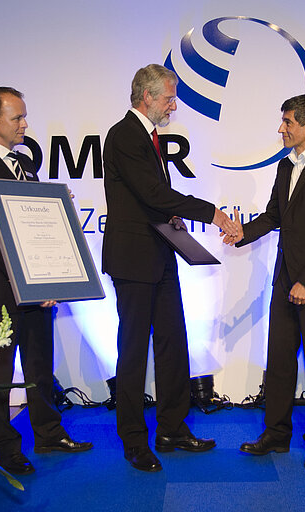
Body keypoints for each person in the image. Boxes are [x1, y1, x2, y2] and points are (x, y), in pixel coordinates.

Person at [102, 64, 237, 472]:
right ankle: (133, 440)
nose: (173, 104)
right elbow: (153, 193)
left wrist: (172, 221)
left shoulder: (149, 136)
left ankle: (173, 428)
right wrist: (210, 212)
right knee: (133, 353)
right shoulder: (125, 134)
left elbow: (149, 201)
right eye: (168, 97)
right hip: (133, 260)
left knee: (173, 344)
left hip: (159, 256)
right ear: (147, 97)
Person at [0, 87, 92, 476]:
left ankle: (48, 433)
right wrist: (35, 283)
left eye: (24, 116)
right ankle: (4, 448)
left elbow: (35, 231)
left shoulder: (24, 167)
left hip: (35, 292)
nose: (24, 124)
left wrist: (57, 203)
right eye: (16, 117)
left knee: (39, 366)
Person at [223, 94, 305, 469]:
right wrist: (240, 233)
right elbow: (274, 215)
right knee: (279, 360)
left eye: (288, 122)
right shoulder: (284, 167)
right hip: (285, 280)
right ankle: (276, 435)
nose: (281, 128)